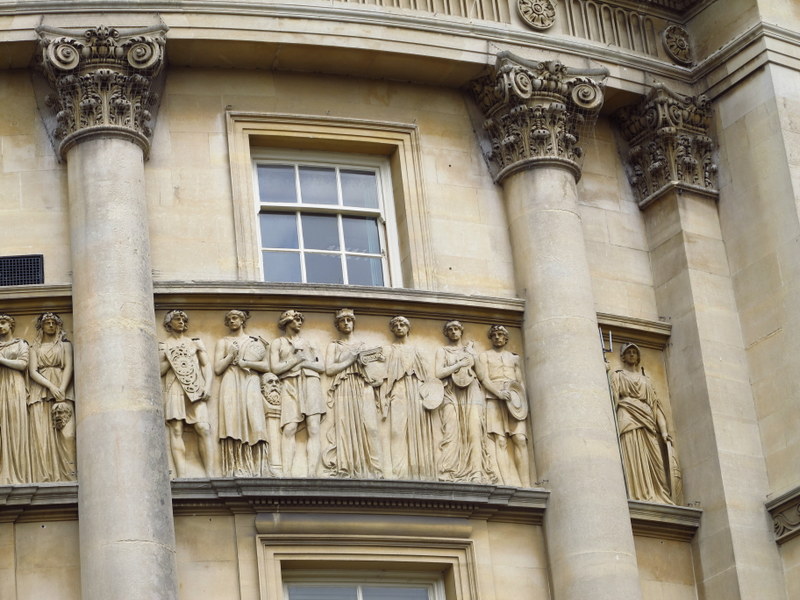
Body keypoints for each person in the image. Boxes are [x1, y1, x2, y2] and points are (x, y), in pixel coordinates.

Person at [610, 342, 676, 504]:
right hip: (627, 417)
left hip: (647, 420)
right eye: (628, 352)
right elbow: (612, 401)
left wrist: (664, 432)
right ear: (623, 356)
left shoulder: (646, 380)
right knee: (633, 454)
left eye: (634, 352)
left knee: (655, 460)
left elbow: (657, 407)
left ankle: (657, 494)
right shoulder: (617, 375)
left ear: (638, 357)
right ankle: (636, 494)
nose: (632, 354)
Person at [324, 308, 384, 479]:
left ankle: (373, 468)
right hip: (344, 387)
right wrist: (351, 358)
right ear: (338, 325)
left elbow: (375, 371)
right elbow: (329, 369)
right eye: (342, 321)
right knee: (345, 426)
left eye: (349, 320)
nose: (346, 323)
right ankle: (347, 467)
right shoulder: (334, 346)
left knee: (370, 426)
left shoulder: (363, 346)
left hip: (363, 385)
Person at [435, 320, 495, 483]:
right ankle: (450, 470)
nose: (454, 332)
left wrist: (472, 355)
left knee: (474, 428)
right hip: (450, 393)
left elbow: (482, 376)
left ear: (461, 332)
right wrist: (459, 364)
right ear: (446, 333)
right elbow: (439, 373)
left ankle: (476, 472)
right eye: (450, 330)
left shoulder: (470, 351)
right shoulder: (443, 351)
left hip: (472, 390)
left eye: (456, 329)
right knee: (451, 430)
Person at [214, 309, 272, 477]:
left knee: (255, 420)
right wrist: (230, 355)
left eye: (236, 318)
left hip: (250, 379)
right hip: (230, 380)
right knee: (232, 421)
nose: (232, 321)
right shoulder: (223, 342)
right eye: (230, 318)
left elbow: (266, 366)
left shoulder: (254, 341)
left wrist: (246, 362)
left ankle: (260, 467)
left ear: (242, 321)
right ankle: (234, 466)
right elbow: (218, 368)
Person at [159, 310, 214, 478]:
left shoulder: (195, 343)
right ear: (169, 324)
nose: (181, 322)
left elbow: (206, 366)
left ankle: (210, 474)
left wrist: (208, 386)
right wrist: (171, 359)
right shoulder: (164, 345)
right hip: (174, 387)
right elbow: (159, 371)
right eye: (177, 319)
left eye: (183, 319)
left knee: (203, 427)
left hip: (196, 387)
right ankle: (182, 475)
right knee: (176, 430)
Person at [270, 309, 326, 477]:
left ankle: (312, 475)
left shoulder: (310, 343)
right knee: (289, 428)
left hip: (311, 382)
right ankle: (287, 474)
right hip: (289, 384)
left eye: (300, 319)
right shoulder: (278, 343)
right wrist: (296, 359)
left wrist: (302, 364)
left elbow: (321, 367)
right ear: (287, 322)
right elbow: (275, 368)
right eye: (296, 319)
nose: (300, 322)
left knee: (314, 428)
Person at [380, 316, 436, 480]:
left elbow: (427, 377)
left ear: (408, 328)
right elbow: (383, 375)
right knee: (397, 430)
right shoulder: (389, 350)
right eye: (395, 325)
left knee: (417, 429)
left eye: (402, 324)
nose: (399, 327)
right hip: (397, 390)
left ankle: (420, 471)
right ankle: (399, 472)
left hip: (416, 391)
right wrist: (383, 397)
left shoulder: (417, 351)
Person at [476, 325, 530, 487]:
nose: (498, 337)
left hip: (515, 399)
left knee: (520, 439)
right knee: (500, 440)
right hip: (494, 397)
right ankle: (507, 483)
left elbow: (520, 382)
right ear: (491, 338)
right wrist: (498, 393)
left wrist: (521, 403)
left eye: (501, 335)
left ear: (506, 338)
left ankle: (525, 484)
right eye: (495, 335)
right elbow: (484, 379)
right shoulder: (484, 356)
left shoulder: (514, 358)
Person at [28, 312, 75, 482]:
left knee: (67, 434)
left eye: (53, 322)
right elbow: (33, 371)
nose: (50, 325)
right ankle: (46, 474)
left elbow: (69, 367)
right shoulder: (34, 348)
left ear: (58, 325)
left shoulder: (65, 346)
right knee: (42, 434)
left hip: (63, 389)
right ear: (41, 326)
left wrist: (61, 389)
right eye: (46, 323)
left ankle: (69, 473)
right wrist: (51, 386)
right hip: (40, 390)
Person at [0, 314, 31, 484]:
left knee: (14, 424)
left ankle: (17, 473)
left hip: (14, 385)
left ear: (11, 325)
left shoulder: (21, 344)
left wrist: (2, 360)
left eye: (3, 323)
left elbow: (23, 364)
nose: (0, 326)